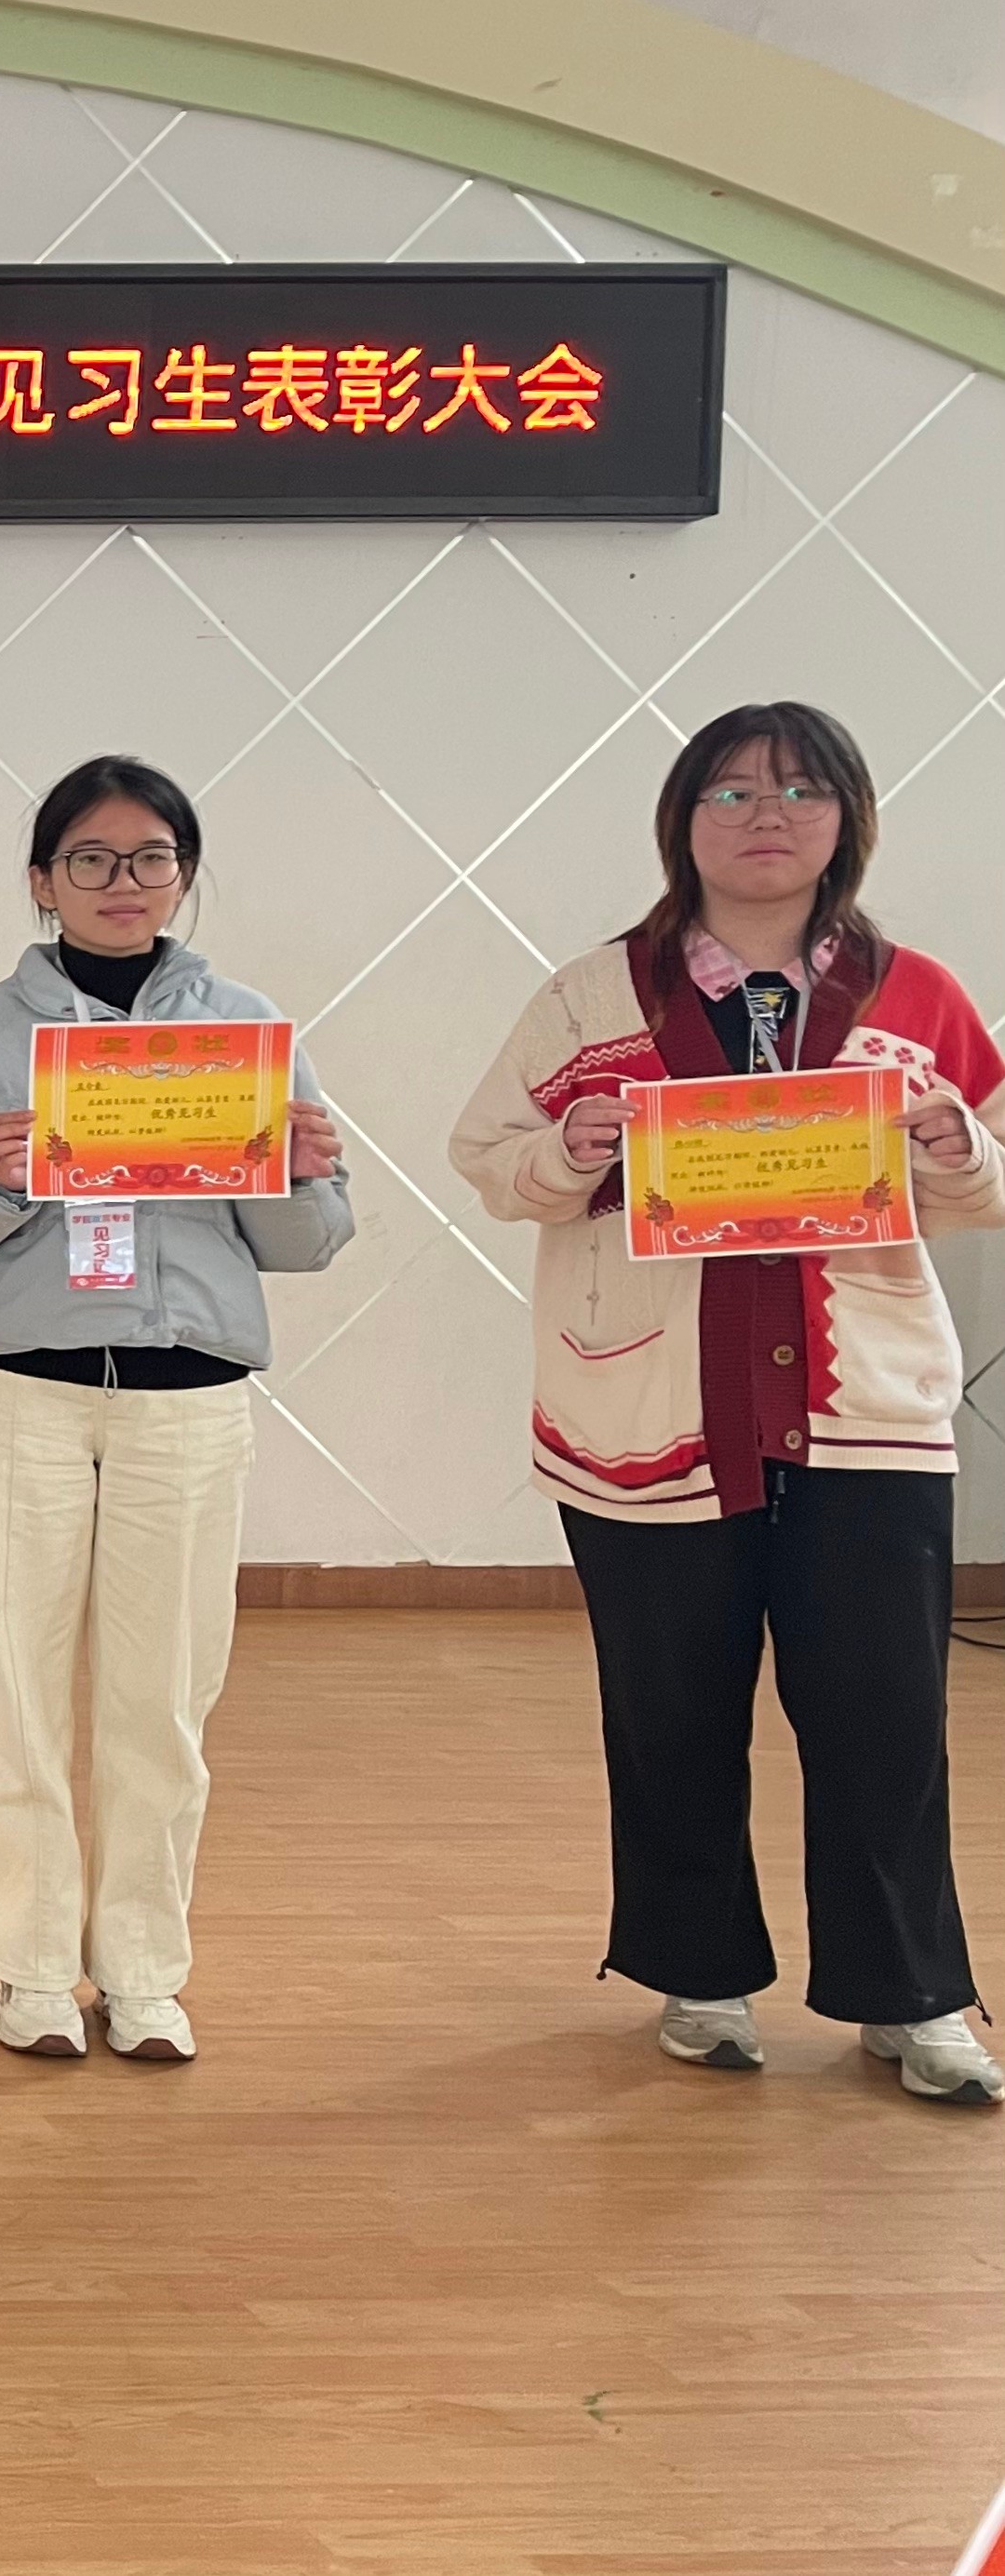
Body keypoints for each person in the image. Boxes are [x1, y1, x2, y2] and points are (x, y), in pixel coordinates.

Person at [449, 701, 1004, 2104]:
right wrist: (571, 1145)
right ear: (682, 820)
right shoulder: (592, 999)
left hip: (865, 1413)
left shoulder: (917, 995)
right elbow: (490, 1157)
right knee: (671, 1706)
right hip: (645, 1409)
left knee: (885, 1715)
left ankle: (912, 1992)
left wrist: (958, 1145)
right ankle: (698, 1971)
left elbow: (987, 1184)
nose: (770, 816)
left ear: (848, 820)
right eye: (734, 791)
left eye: (805, 790)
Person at [0, 754, 351, 2066]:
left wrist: (299, 1170)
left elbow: (311, 1241)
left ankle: (145, 1971)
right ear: (43, 881)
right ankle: (31, 1965)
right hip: (19, 1395)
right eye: (89, 858)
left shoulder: (245, 1033)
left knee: (164, 1706)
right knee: (17, 1696)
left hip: (190, 1403)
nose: (122, 881)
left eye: (151, 857)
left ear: (184, 876)